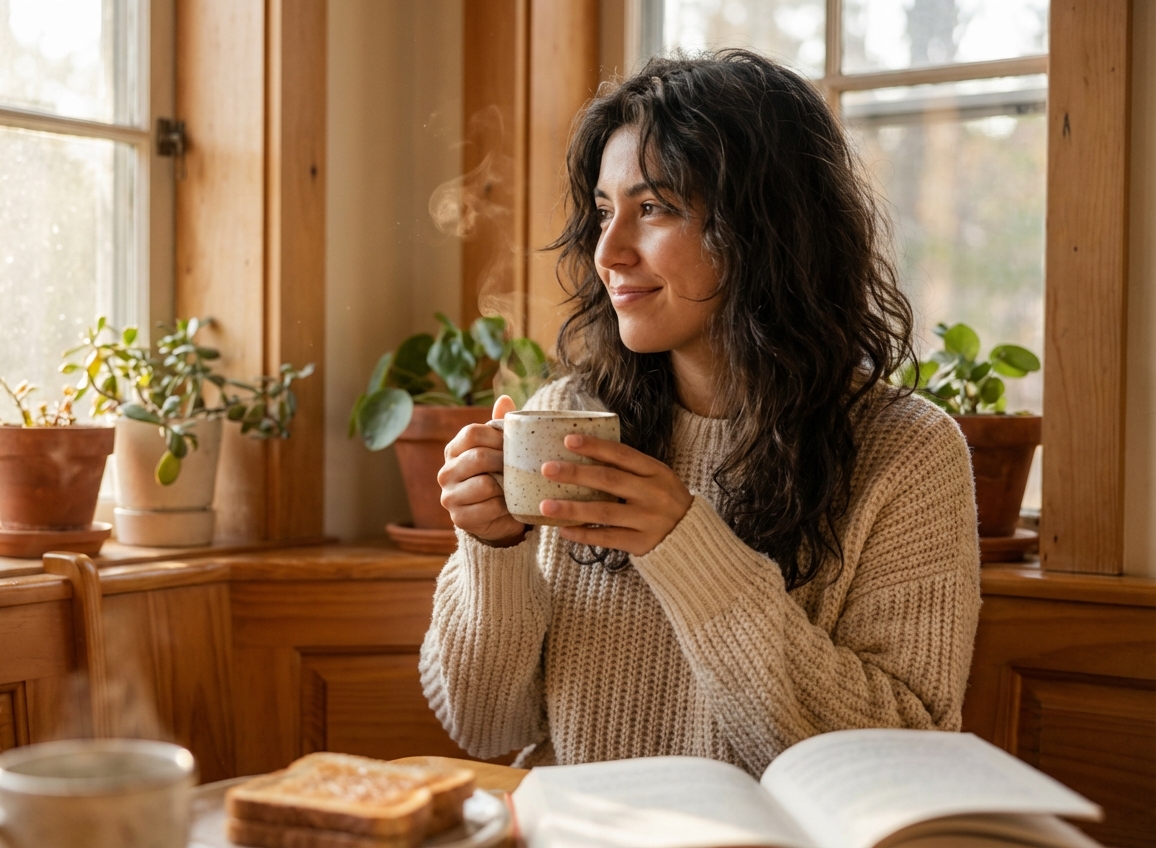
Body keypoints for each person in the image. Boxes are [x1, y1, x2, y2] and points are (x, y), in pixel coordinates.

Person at [419, 50, 980, 776]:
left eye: (652, 208)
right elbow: (485, 727)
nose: (608, 252)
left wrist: (690, 549)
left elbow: (903, 758)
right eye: (602, 211)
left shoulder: (908, 453)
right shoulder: (567, 417)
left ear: (765, 230)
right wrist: (493, 551)